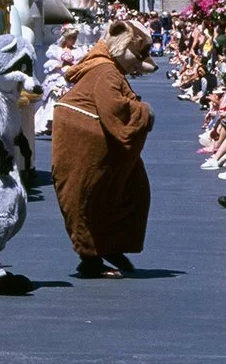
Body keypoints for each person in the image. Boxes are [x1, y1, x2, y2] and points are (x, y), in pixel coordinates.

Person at [50, 19, 157, 279]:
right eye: (138, 55)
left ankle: (109, 245)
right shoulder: (106, 71)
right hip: (84, 142)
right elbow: (116, 110)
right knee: (88, 196)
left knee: (129, 188)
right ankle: (91, 257)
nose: (137, 64)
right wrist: (145, 112)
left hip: (94, 140)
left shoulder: (108, 68)